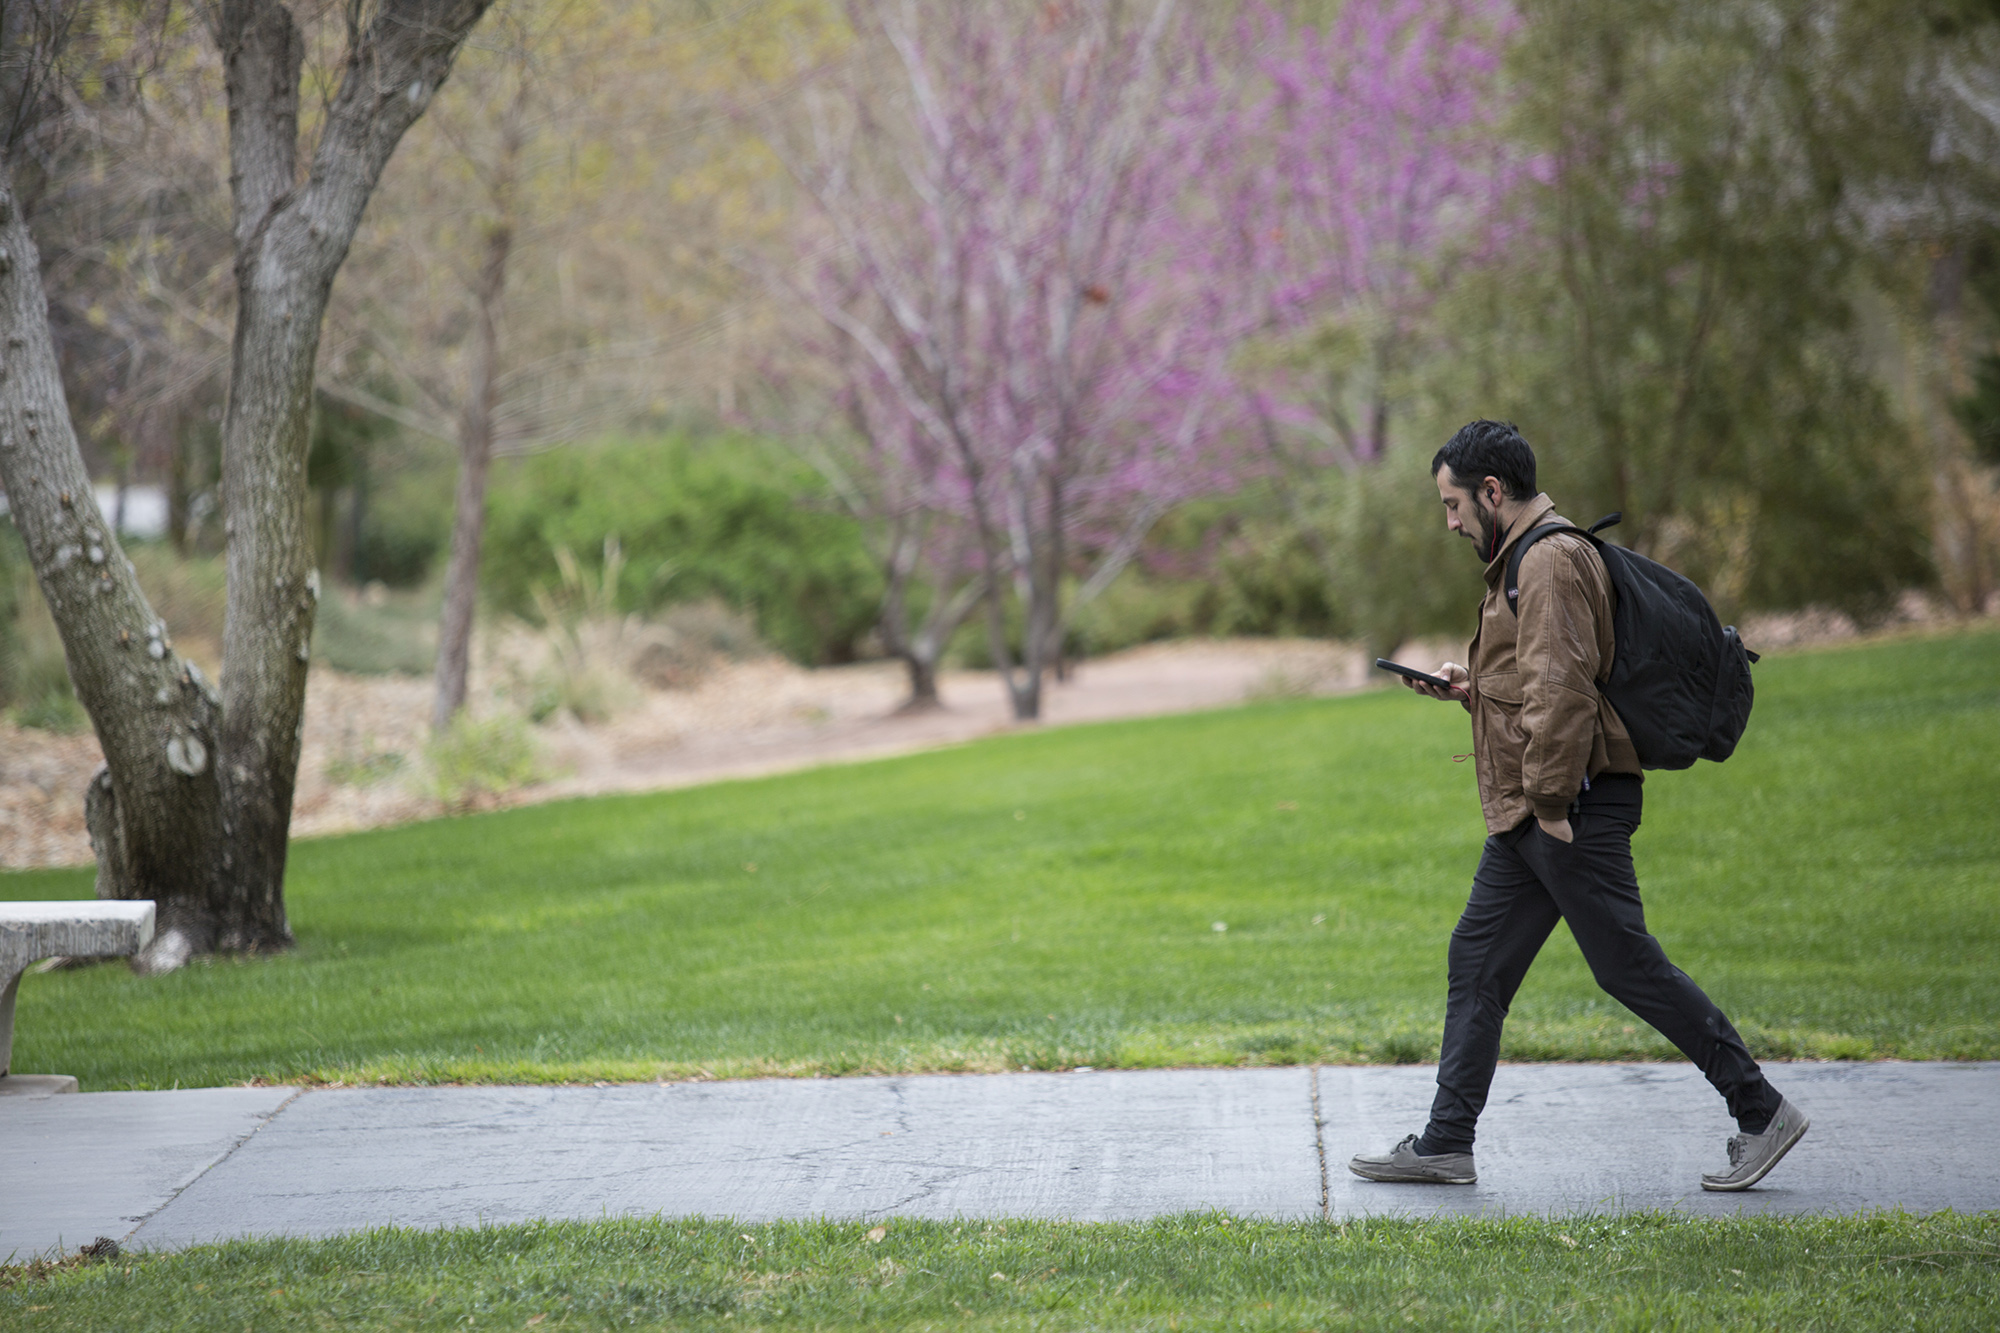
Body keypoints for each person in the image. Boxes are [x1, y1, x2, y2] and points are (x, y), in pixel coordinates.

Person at [1347, 420, 1807, 1192]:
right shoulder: (1521, 562)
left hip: (1567, 805)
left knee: (1628, 964)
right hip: (1535, 809)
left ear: (1493, 492)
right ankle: (1445, 1141)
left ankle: (1760, 1110)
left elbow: (1562, 697)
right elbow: (1540, 683)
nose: (1451, 521)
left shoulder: (1552, 561)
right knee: (1477, 961)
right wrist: (1468, 689)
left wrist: (1553, 805)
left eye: (1454, 503)